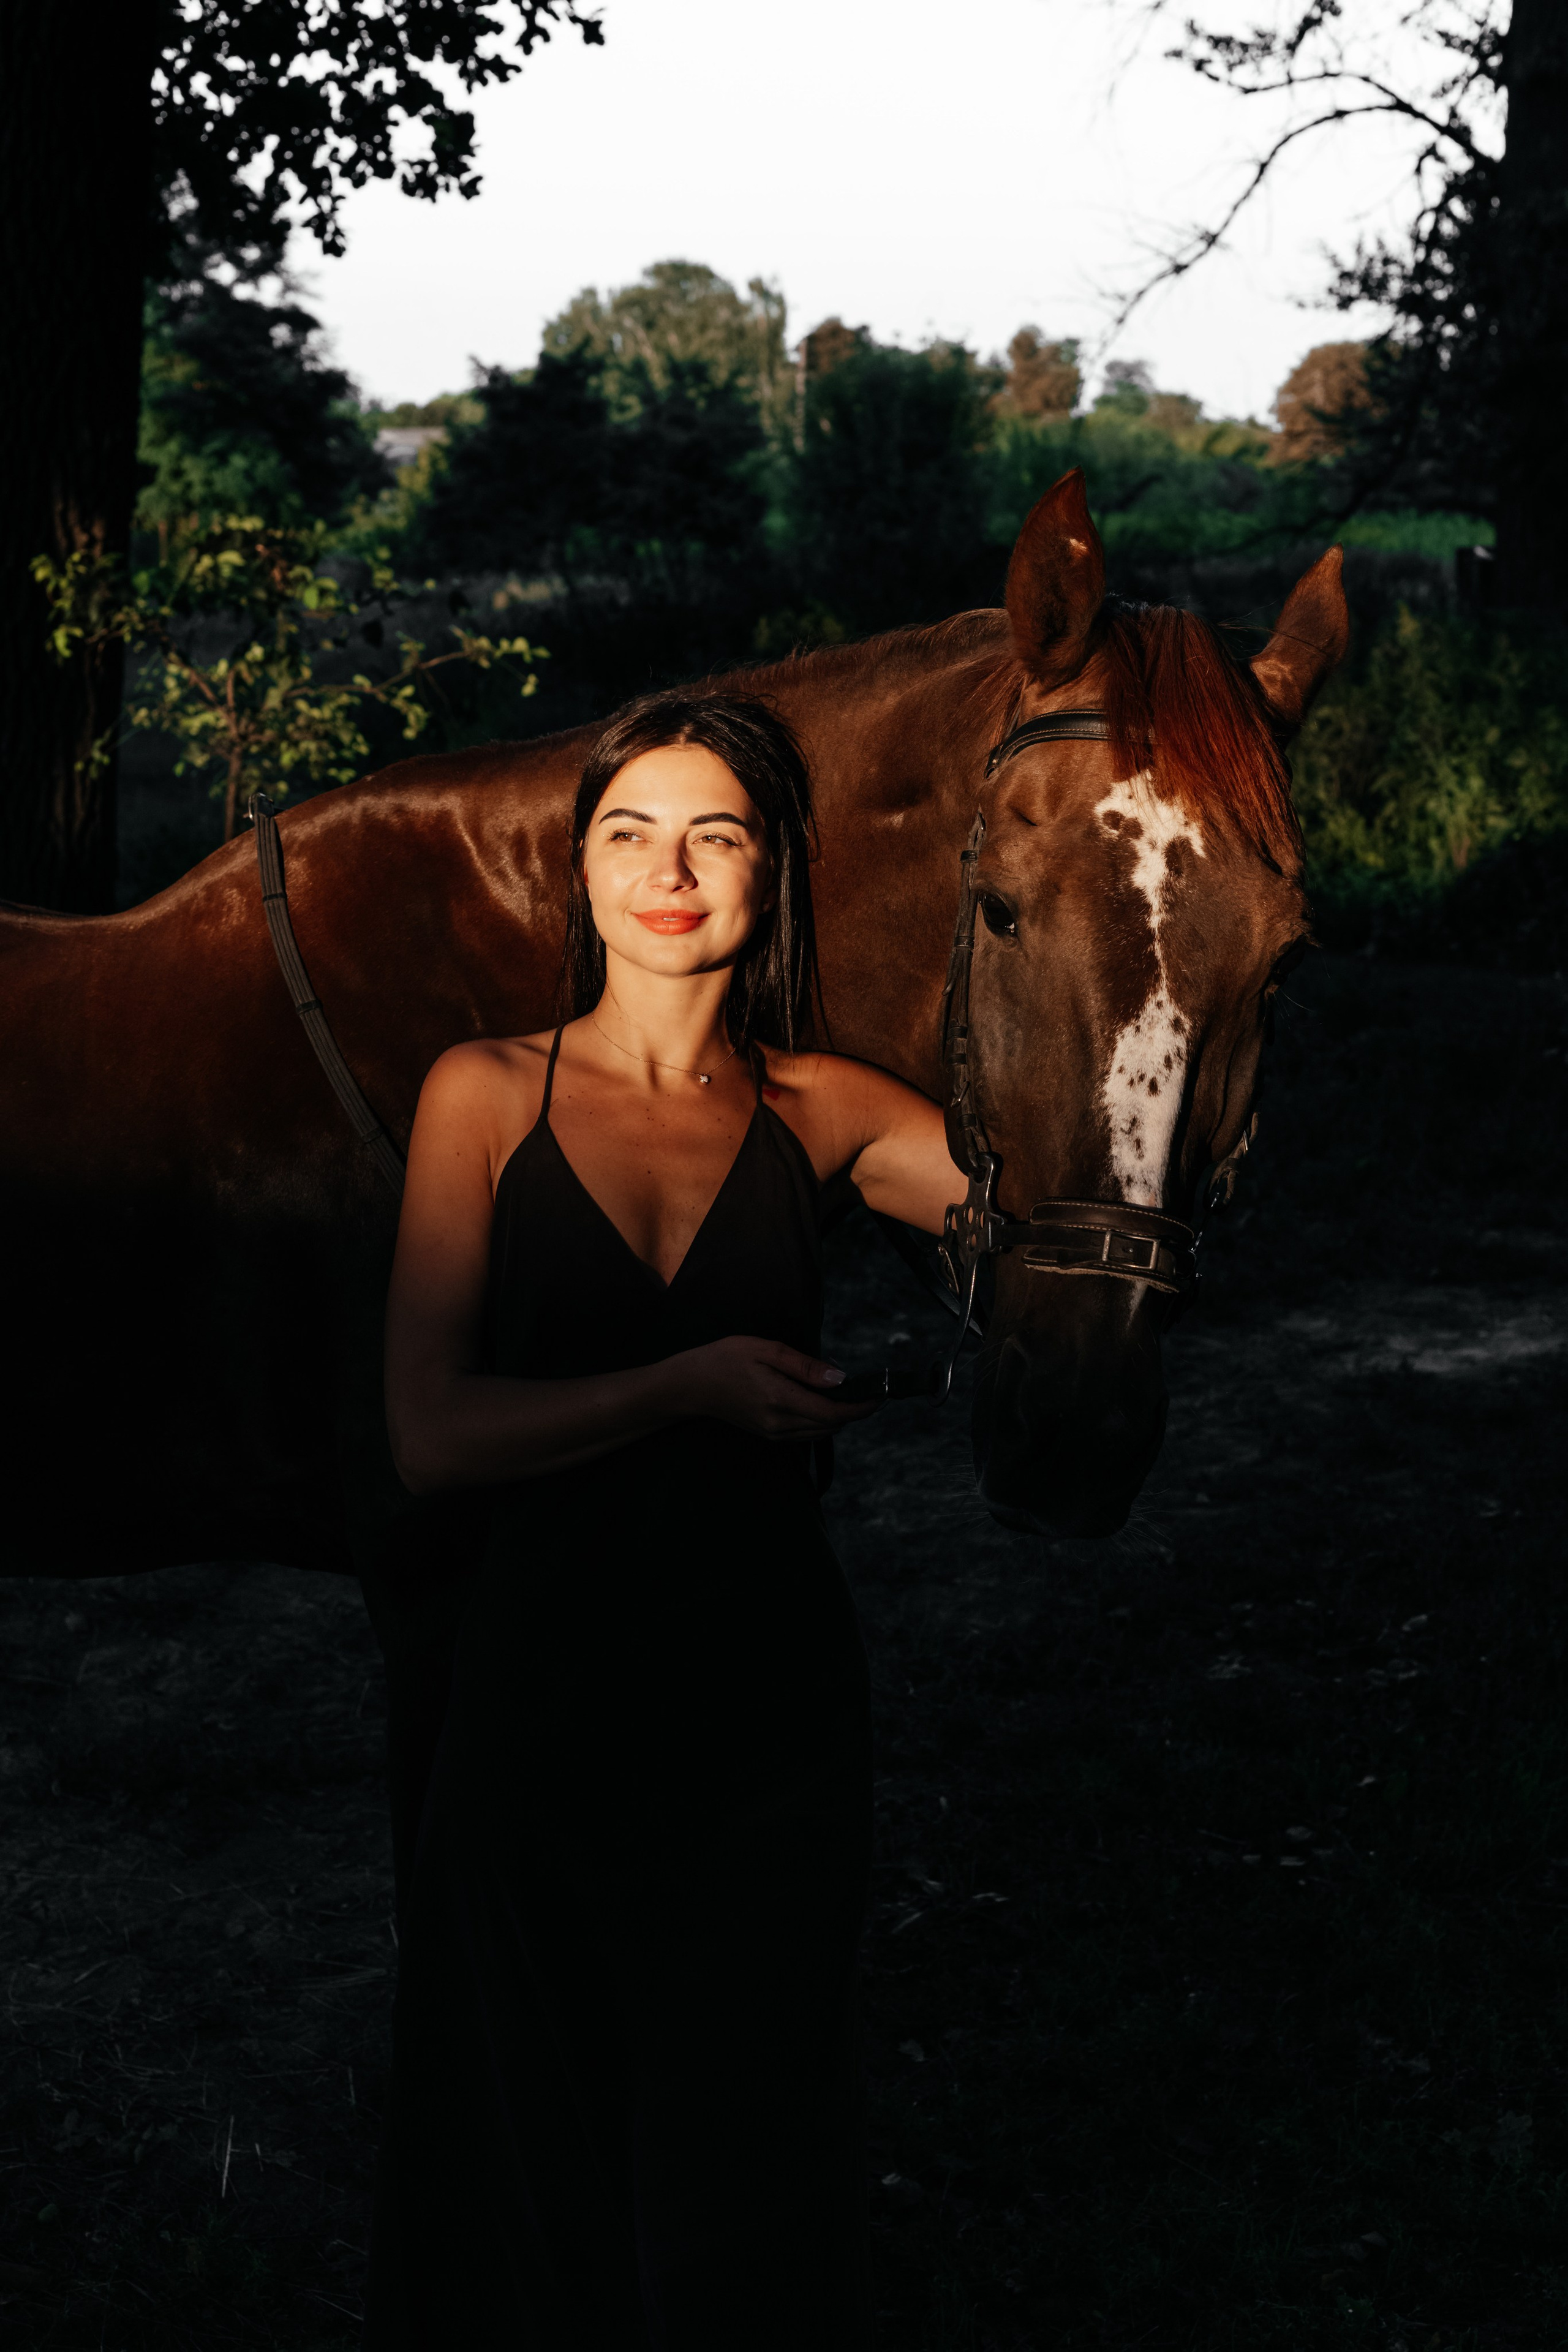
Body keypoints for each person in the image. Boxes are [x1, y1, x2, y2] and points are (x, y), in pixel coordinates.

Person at [366, 690, 963, 2350]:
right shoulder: (482, 1093)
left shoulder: (824, 1108)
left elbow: (1063, 1225)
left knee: (744, 2151)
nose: (669, 871)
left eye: (715, 833)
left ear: (776, 869)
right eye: (630, 834)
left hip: (765, 1703)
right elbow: (429, 1434)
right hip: (540, 1695)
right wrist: (684, 1387)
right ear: (581, 872)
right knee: (526, 2138)